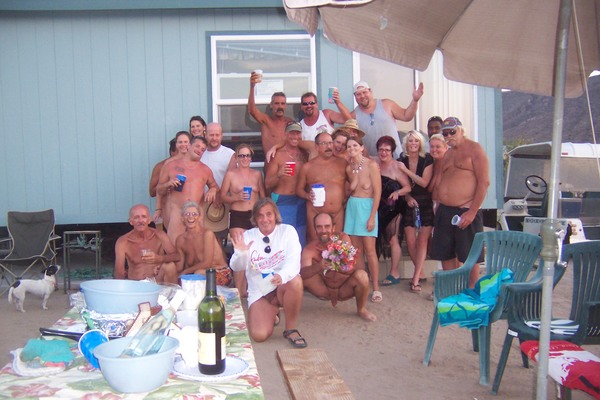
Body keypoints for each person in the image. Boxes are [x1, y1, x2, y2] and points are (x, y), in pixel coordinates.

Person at [229, 198, 306, 348]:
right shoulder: (248, 236)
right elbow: (236, 267)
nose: (265, 219)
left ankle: (290, 329)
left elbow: (294, 260)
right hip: (260, 291)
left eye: (269, 214)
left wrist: (282, 275)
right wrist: (241, 254)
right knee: (259, 335)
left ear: (275, 215)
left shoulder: (287, 231)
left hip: (282, 284)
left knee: (296, 282)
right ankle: (273, 313)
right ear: (255, 218)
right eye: (260, 215)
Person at [430, 117, 490, 288]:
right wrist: (437, 206)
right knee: (445, 253)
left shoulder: (475, 149)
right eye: (445, 133)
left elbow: (484, 182)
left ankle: (472, 290)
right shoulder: (448, 153)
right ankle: (451, 289)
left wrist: (472, 212)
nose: (449, 136)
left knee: (470, 254)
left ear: (461, 131)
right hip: (444, 210)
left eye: (452, 132)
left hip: (465, 210)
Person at [301, 213, 376, 321]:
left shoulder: (343, 238)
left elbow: (351, 268)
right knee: (296, 278)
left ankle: (361, 309)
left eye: (327, 226)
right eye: (319, 227)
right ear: (315, 229)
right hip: (323, 289)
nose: (323, 230)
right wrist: (319, 266)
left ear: (333, 227)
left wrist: (336, 265)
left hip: (344, 289)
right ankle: (288, 306)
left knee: (362, 276)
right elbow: (303, 274)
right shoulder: (310, 249)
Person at [155, 135, 219, 244]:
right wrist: (168, 184)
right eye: (197, 146)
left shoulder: (205, 169)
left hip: (196, 214)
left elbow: (215, 186)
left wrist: (213, 190)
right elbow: (159, 190)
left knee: (197, 248)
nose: (199, 150)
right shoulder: (170, 166)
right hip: (177, 212)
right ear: (189, 145)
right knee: (175, 247)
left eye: (202, 149)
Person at [221, 144, 266, 297]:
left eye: (247, 155)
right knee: (240, 253)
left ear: (251, 158)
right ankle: (239, 291)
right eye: (241, 156)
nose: (245, 158)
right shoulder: (230, 175)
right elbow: (222, 196)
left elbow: (262, 196)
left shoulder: (257, 174)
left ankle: (250, 289)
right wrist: (236, 197)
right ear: (236, 158)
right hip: (238, 215)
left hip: (254, 215)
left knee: (254, 252)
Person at [343, 136, 383, 303]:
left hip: (367, 208)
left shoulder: (371, 165)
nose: (351, 148)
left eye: (354, 145)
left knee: (370, 250)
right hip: (353, 208)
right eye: (348, 146)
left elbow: (378, 192)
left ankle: (376, 288)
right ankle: (362, 285)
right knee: (356, 251)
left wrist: (372, 216)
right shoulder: (348, 168)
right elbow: (349, 190)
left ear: (361, 147)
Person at [296, 132, 348, 243]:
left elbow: (354, 180)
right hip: (315, 211)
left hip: (337, 212)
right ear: (316, 147)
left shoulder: (342, 163)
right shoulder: (307, 167)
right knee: (316, 244)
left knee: (337, 245)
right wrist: (307, 196)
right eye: (324, 143)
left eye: (330, 143)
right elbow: (299, 190)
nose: (328, 146)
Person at [398, 131, 434, 292]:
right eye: (410, 141)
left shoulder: (427, 159)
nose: (413, 143)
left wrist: (406, 171)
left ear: (420, 143)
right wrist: (407, 198)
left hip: (425, 201)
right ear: (406, 143)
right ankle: (420, 272)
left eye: (416, 141)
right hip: (409, 201)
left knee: (422, 240)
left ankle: (415, 278)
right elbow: (401, 184)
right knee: (410, 240)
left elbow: (424, 182)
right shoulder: (401, 160)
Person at [351, 80, 424, 158]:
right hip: (372, 162)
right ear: (355, 96)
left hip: (395, 159)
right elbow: (341, 120)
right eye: (358, 94)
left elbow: (406, 116)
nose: (362, 96)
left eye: (364, 92)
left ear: (370, 91)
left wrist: (415, 100)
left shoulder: (386, 104)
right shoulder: (354, 115)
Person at [264, 121, 309, 246]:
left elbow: (317, 145)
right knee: (281, 238)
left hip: (300, 200)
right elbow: (267, 184)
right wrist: (279, 174)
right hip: (282, 201)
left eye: (297, 133)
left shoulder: (305, 154)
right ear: (286, 134)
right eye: (292, 133)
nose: (295, 136)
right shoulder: (277, 155)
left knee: (299, 238)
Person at [375, 136, 411, 287]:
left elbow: (408, 187)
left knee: (393, 239)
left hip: (394, 208)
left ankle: (394, 272)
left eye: (387, 150)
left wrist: (398, 192)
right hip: (378, 206)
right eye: (381, 150)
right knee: (375, 239)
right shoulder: (374, 163)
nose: (383, 153)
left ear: (392, 151)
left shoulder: (397, 166)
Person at [114, 204, 179, 284]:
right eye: (136, 217)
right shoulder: (123, 242)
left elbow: (177, 256)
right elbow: (119, 273)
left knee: (170, 266)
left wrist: (159, 258)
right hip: (136, 284)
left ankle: (171, 292)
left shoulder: (159, 235)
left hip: (157, 281)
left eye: (144, 217)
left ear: (149, 220)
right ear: (131, 221)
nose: (141, 221)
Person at [175, 201, 232, 286]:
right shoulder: (180, 240)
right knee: (173, 272)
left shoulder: (207, 234)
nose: (191, 217)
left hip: (221, 273)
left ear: (199, 217)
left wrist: (186, 271)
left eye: (194, 214)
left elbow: (207, 263)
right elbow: (179, 267)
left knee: (199, 273)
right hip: (196, 275)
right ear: (182, 218)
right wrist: (162, 263)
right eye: (187, 214)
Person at [201, 122, 236, 241]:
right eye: (211, 135)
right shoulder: (200, 153)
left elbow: (231, 179)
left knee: (218, 239)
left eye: (217, 135)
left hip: (221, 203)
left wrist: (220, 196)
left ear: (222, 135)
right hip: (202, 203)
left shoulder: (230, 154)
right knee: (203, 239)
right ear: (205, 135)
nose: (214, 138)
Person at [248, 72, 293, 154]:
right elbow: (252, 110)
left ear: (285, 106)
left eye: (282, 104)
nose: (280, 106)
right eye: (277, 103)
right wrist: (252, 87)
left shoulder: (290, 122)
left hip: (287, 160)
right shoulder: (266, 121)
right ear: (271, 105)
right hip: (271, 160)